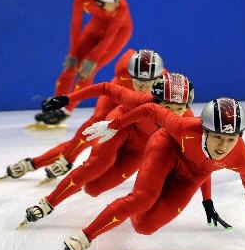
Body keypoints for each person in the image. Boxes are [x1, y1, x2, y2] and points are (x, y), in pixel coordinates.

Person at [46, 98, 245, 250]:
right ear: (205, 131)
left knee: (144, 226)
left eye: (231, 140)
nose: (223, 146)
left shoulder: (240, 157)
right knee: (142, 199)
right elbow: (149, 109)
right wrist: (114, 125)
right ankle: (84, 237)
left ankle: (143, 196)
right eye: (218, 137)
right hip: (167, 148)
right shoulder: (184, 127)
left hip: (192, 175)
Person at [20, 74, 231, 231]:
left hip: (138, 151)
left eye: (179, 108)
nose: (172, 114)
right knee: (96, 165)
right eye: (167, 106)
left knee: (94, 188)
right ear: (156, 101)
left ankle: (77, 183)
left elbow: (202, 161)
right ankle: (48, 203)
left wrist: (207, 200)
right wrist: (67, 99)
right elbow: (105, 87)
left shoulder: (187, 123)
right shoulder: (139, 102)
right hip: (121, 128)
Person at [3, 49, 163, 181]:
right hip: (117, 97)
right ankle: (43, 162)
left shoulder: (164, 85)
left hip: (138, 110)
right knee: (93, 128)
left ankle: (39, 163)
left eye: (149, 81)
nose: (142, 85)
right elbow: (101, 88)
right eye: (138, 80)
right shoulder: (122, 71)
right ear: (129, 74)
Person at [35, 0, 133, 125]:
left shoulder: (122, 7)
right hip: (94, 29)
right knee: (70, 68)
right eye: (112, 2)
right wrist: (73, 53)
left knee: (86, 71)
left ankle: (66, 111)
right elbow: (75, 27)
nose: (118, 3)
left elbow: (109, 36)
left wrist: (93, 59)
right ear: (99, 1)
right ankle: (56, 105)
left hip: (117, 35)